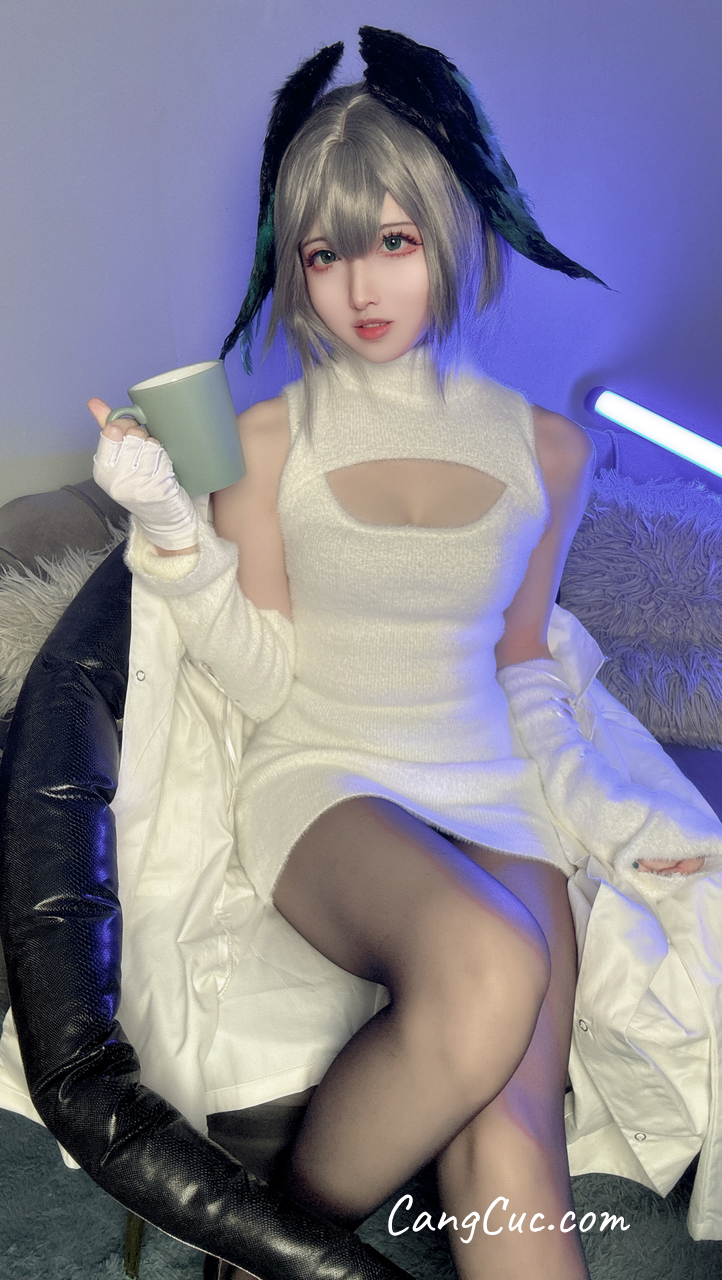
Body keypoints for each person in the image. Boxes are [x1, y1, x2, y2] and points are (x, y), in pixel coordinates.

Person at [85, 28, 722, 1280]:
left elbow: (524, 659)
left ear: (450, 231)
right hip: (323, 773)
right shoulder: (265, 441)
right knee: (489, 962)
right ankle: (260, 1253)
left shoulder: (550, 450)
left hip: (494, 787)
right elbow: (257, 672)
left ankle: (256, 1252)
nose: (358, 287)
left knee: (514, 1136)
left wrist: (602, 808)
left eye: (391, 240)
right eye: (323, 254)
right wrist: (171, 528)